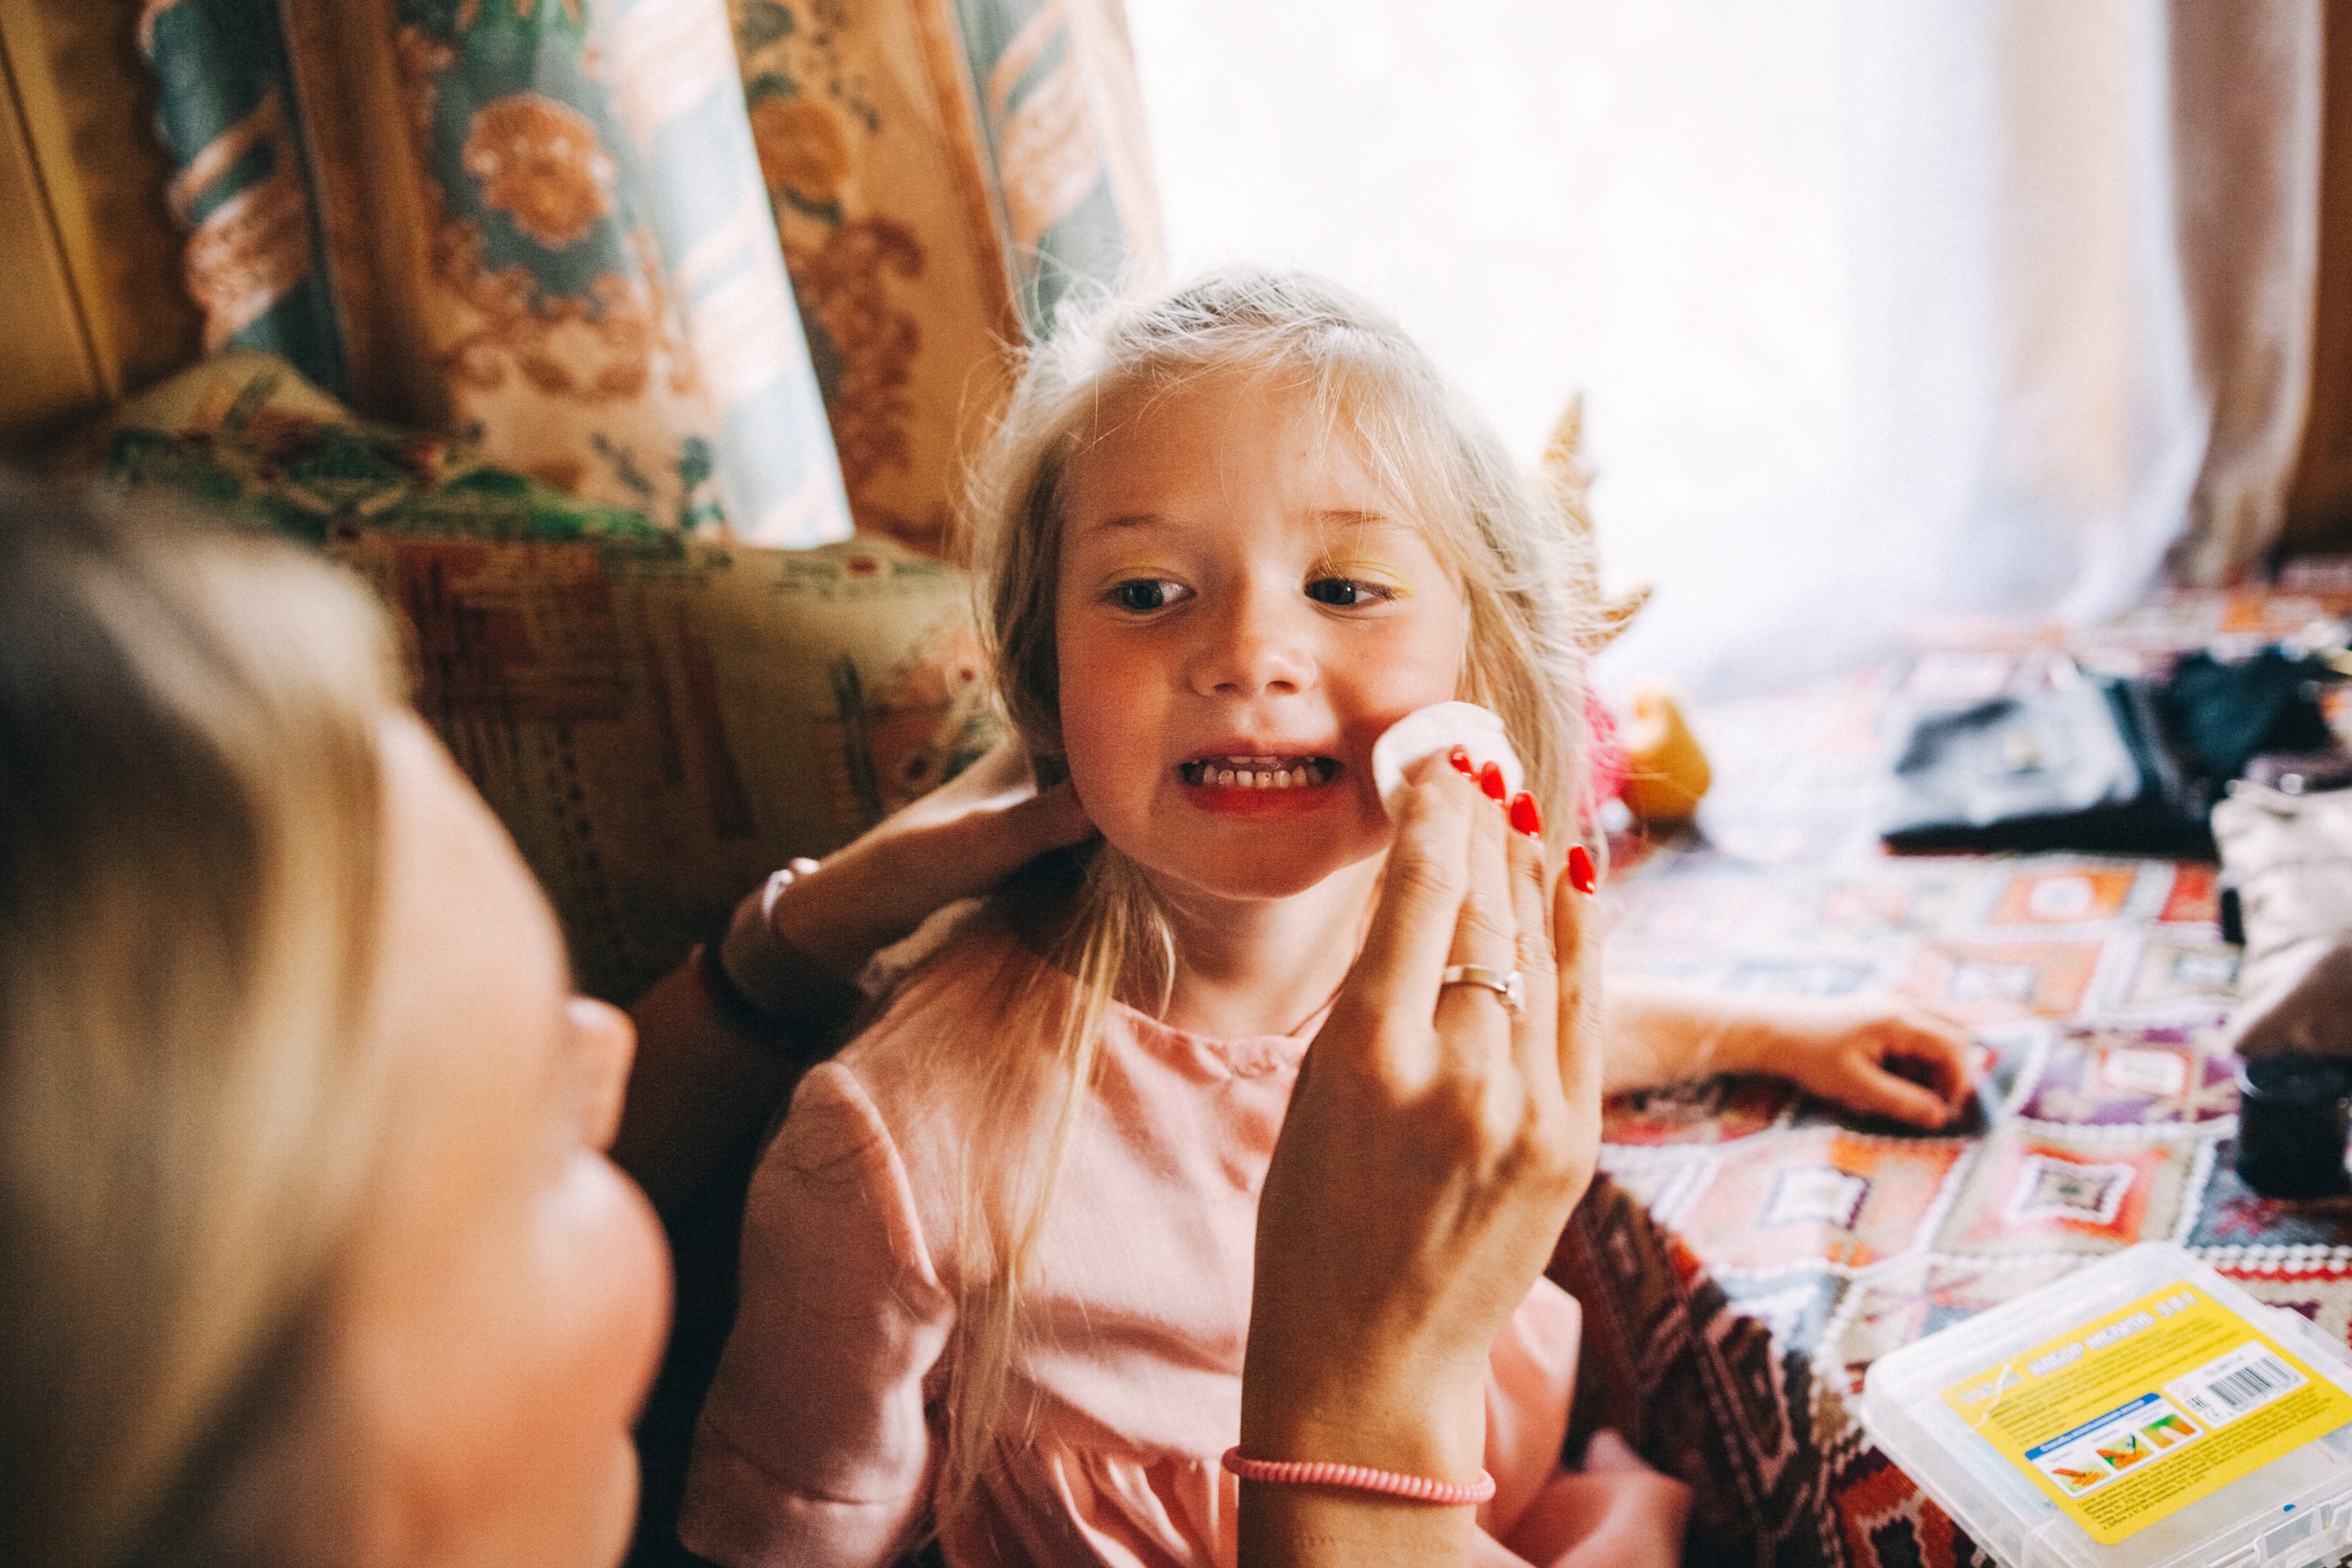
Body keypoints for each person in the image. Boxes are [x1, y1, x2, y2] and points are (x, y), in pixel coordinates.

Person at [0, 472, 1616, 1568]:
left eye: (1345, 585)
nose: (626, 1060)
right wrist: (1360, 1441)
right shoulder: (905, 1139)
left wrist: (793, 940)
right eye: (529, 1139)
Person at [677, 270, 1972, 1568]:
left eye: (1344, 590)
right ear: (1042, 673)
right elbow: (783, 1535)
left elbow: (1493, 1049)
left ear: (1478, 663)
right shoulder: (892, 1145)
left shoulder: (1412, 935)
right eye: (1144, 592)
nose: (1250, 651)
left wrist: (1778, 1030)